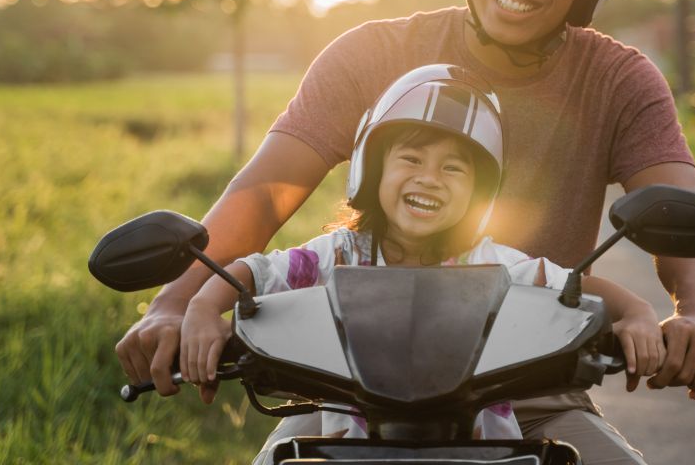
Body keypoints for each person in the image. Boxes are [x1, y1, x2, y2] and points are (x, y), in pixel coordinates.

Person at [116, 0, 695, 463]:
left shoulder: (619, 79)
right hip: (352, 392)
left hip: (531, 391)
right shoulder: (371, 52)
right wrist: (175, 304)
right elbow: (265, 194)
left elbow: (673, 209)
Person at [178, 65, 665, 453]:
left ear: (480, 193)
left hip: (485, 454)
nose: (430, 178)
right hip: (348, 451)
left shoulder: (494, 266)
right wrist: (200, 312)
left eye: (454, 168)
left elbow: (572, 286)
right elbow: (253, 274)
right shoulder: (339, 254)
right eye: (411, 159)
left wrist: (639, 315)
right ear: (372, 167)